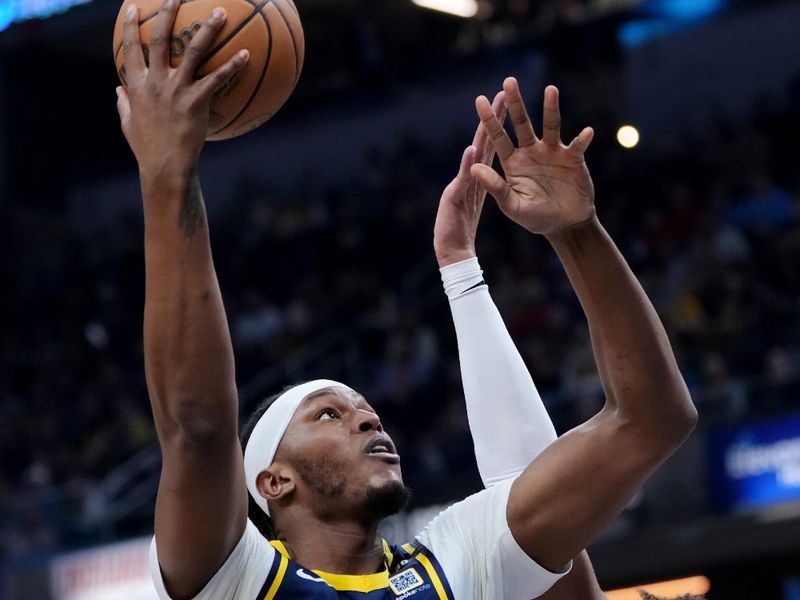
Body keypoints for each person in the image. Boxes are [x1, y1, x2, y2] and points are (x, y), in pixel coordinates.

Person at [115, 2, 697, 599]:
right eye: (328, 415)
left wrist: (576, 234)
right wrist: (168, 175)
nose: (368, 418)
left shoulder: (462, 557)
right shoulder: (236, 579)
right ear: (273, 480)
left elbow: (649, 420)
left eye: (359, 408)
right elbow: (199, 428)